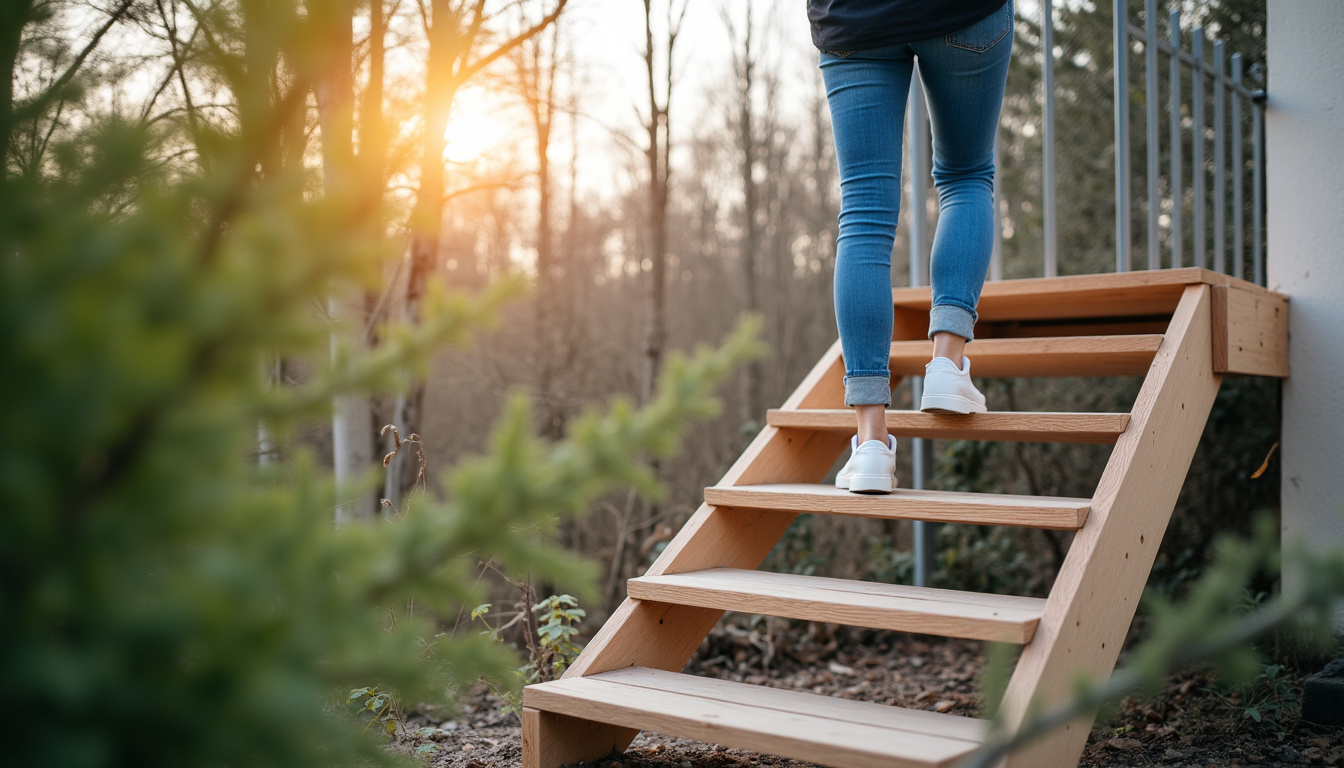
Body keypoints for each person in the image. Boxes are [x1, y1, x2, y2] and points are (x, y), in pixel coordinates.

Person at [809, 0, 1014, 494]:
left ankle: (872, 443)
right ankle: (947, 362)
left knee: (864, 214)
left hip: (853, 19)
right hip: (960, 14)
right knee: (966, 178)